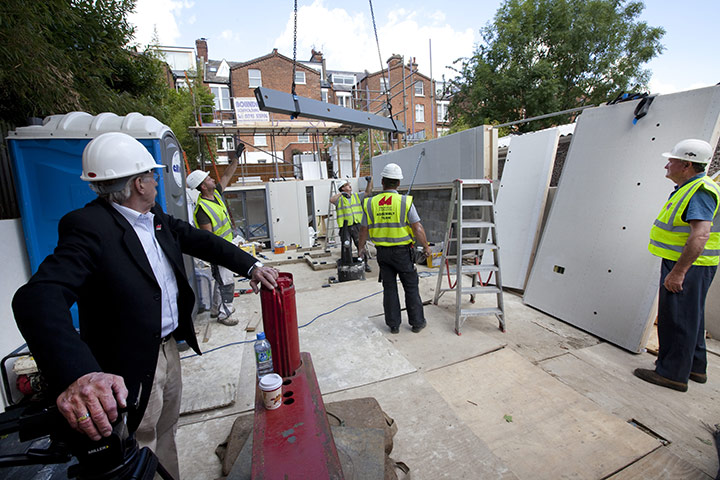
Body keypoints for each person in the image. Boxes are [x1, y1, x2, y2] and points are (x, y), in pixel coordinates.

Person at [12, 132, 278, 479]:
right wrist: (80, 375)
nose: (156, 181)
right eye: (152, 175)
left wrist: (251, 265)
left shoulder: (155, 218)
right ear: (139, 183)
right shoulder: (89, 227)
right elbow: (38, 297)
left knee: (166, 431)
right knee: (140, 440)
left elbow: (203, 241)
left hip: (168, 348)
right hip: (130, 362)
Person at [634, 138, 720, 392]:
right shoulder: (692, 187)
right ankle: (694, 367)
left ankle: (671, 373)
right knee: (692, 317)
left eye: (671, 161)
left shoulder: (700, 191)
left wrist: (679, 272)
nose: (666, 166)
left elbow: (700, 235)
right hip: (696, 265)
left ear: (686, 164)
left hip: (690, 266)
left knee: (677, 319)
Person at [359, 163, 432, 334]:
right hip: (403, 253)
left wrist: (361, 248)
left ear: (382, 181)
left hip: (383, 254)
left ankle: (393, 325)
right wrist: (426, 247)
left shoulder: (370, 203)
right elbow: (417, 228)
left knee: (389, 288)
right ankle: (417, 323)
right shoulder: (405, 201)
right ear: (398, 183)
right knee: (411, 287)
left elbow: (363, 229)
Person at [186, 144, 244, 325]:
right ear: (203, 186)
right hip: (219, 250)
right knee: (226, 282)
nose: (213, 179)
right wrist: (219, 255)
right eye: (209, 179)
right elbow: (208, 238)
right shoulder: (202, 209)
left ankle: (215, 309)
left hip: (226, 245)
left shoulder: (216, 194)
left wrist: (236, 157)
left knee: (220, 279)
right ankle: (224, 314)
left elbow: (227, 175)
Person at [330, 177, 373, 272]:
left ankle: (364, 264)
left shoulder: (356, 196)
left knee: (361, 245)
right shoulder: (339, 199)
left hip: (357, 225)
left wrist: (369, 182)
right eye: (346, 185)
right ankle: (348, 265)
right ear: (342, 188)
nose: (349, 186)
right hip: (345, 227)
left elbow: (368, 192)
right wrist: (341, 194)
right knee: (346, 246)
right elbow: (331, 200)